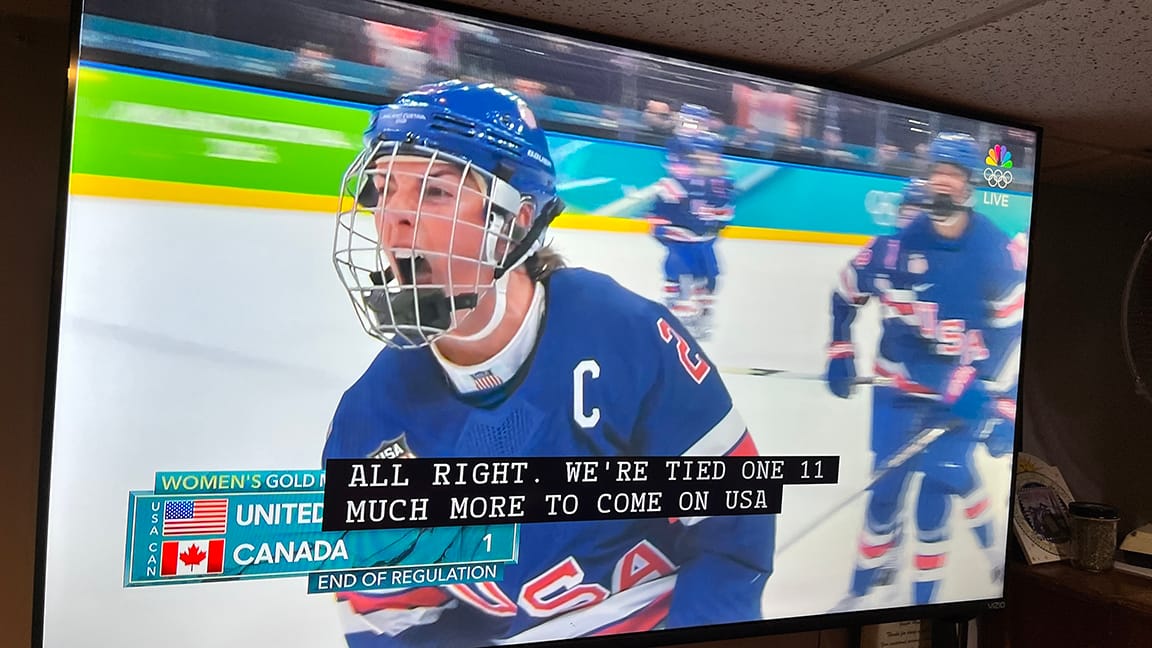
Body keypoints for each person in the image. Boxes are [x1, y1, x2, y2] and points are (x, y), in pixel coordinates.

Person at [324, 80, 775, 647]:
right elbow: (392, 625)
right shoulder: (371, 422)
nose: (394, 218)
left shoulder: (624, 335)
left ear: (517, 220)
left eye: (433, 191)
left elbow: (733, 529)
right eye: (383, 188)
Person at [824, 133, 1026, 609]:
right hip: (902, 389)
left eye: (953, 173)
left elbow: (1010, 334)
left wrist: (996, 403)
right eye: (936, 171)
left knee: (936, 498)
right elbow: (855, 300)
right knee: (884, 493)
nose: (942, 181)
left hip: (964, 394)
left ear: (969, 184)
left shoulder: (995, 253)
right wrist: (839, 349)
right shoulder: (895, 250)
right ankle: (861, 588)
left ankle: (928, 608)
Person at [647, 104, 735, 340]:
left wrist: (716, 219)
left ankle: (702, 311)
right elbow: (661, 207)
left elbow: (725, 211)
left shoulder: (721, 183)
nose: (706, 158)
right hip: (681, 235)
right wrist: (660, 223)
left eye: (711, 154)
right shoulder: (675, 179)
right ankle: (675, 306)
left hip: (703, 238)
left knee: (708, 275)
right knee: (675, 267)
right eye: (701, 153)